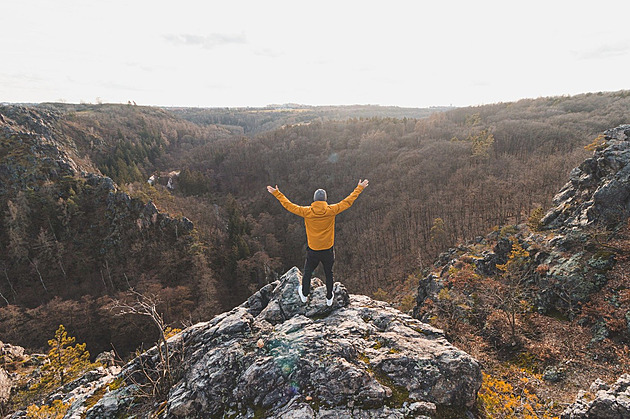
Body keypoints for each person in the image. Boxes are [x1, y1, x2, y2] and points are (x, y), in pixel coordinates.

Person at [267, 180, 369, 306]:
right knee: (329, 272)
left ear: (314, 200)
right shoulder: (331, 210)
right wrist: (360, 188)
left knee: (308, 271)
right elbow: (348, 201)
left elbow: (289, 205)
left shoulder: (307, 211)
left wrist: (277, 193)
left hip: (313, 249)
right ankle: (329, 297)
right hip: (328, 249)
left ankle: (304, 294)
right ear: (325, 200)